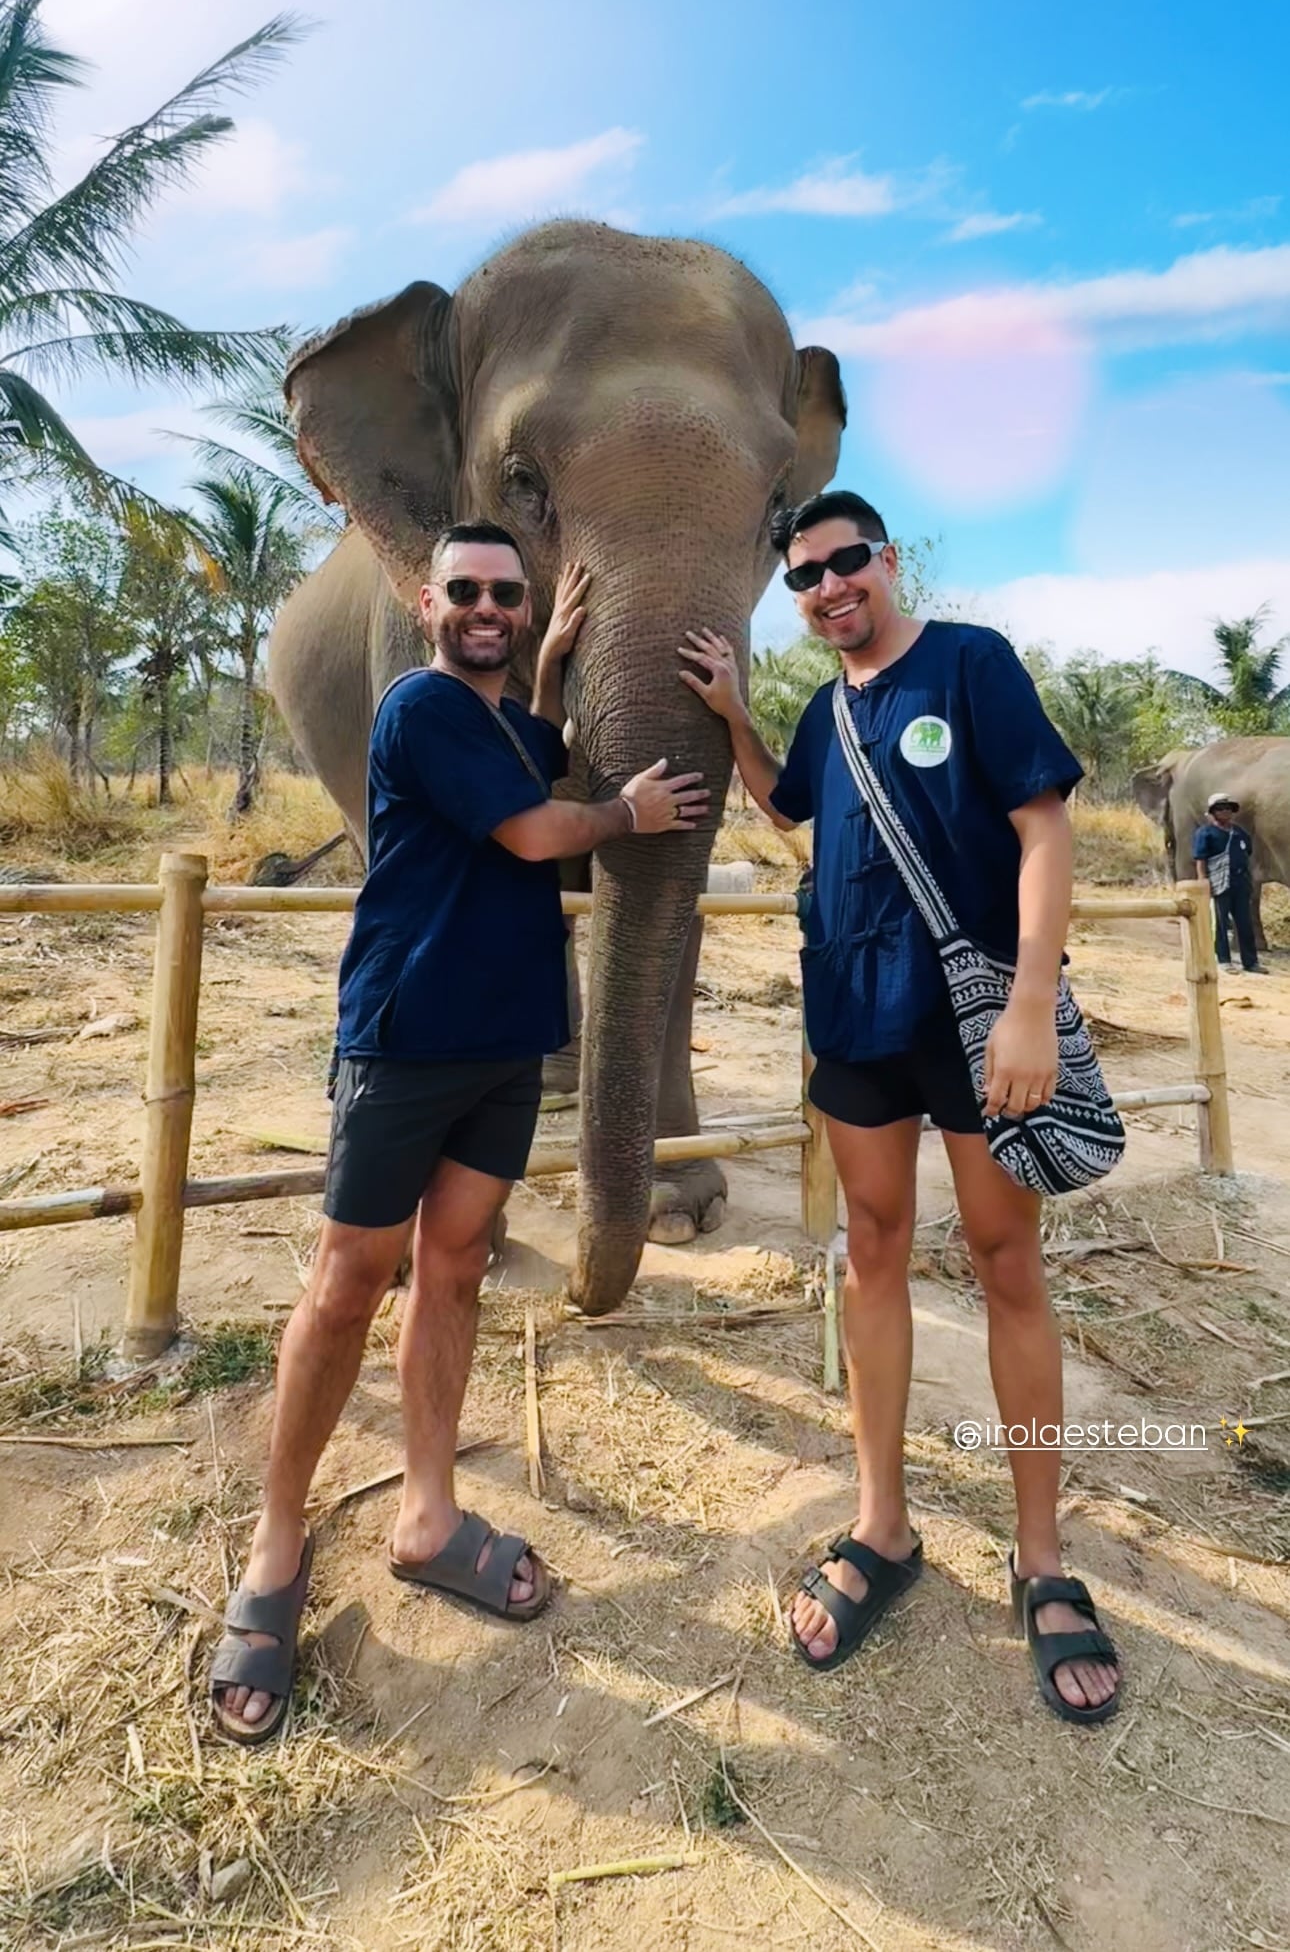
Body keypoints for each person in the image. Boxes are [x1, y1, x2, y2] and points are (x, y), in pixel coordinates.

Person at [212, 523, 708, 1744]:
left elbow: (534, 756)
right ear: (425, 600)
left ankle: (427, 1514)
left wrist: (551, 679)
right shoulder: (419, 708)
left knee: (455, 1269)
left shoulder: (496, 722)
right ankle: (279, 1545)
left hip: (503, 1047)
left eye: (510, 596)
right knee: (346, 1283)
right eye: (469, 591)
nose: (489, 608)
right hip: (406, 1037)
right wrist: (628, 810)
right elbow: (540, 830)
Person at [680, 489, 1121, 1726]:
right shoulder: (829, 709)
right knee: (872, 1248)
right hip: (855, 1020)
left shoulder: (972, 665)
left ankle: (1040, 1555)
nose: (827, 589)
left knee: (1002, 1258)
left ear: (887, 558)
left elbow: (1044, 831)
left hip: (976, 1026)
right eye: (804, 578)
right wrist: (732, 718)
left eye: (842, 562)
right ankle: (885, 1523)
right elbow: (794, 808)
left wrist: (1032, 1003)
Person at [1193, 792, 1263, 974]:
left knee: (1245, 922)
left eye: (1228, 808)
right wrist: (1203, 881)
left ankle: (1251, 962)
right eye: (1220, 808)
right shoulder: (1205, 833)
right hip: (1219, 883)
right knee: (1220, 922)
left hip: (1240, 882)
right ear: (1212, 812)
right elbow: (1201, 859)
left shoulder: (1239, 832)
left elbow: (1247, 852)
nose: (1225, 812)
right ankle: (1223, 959)